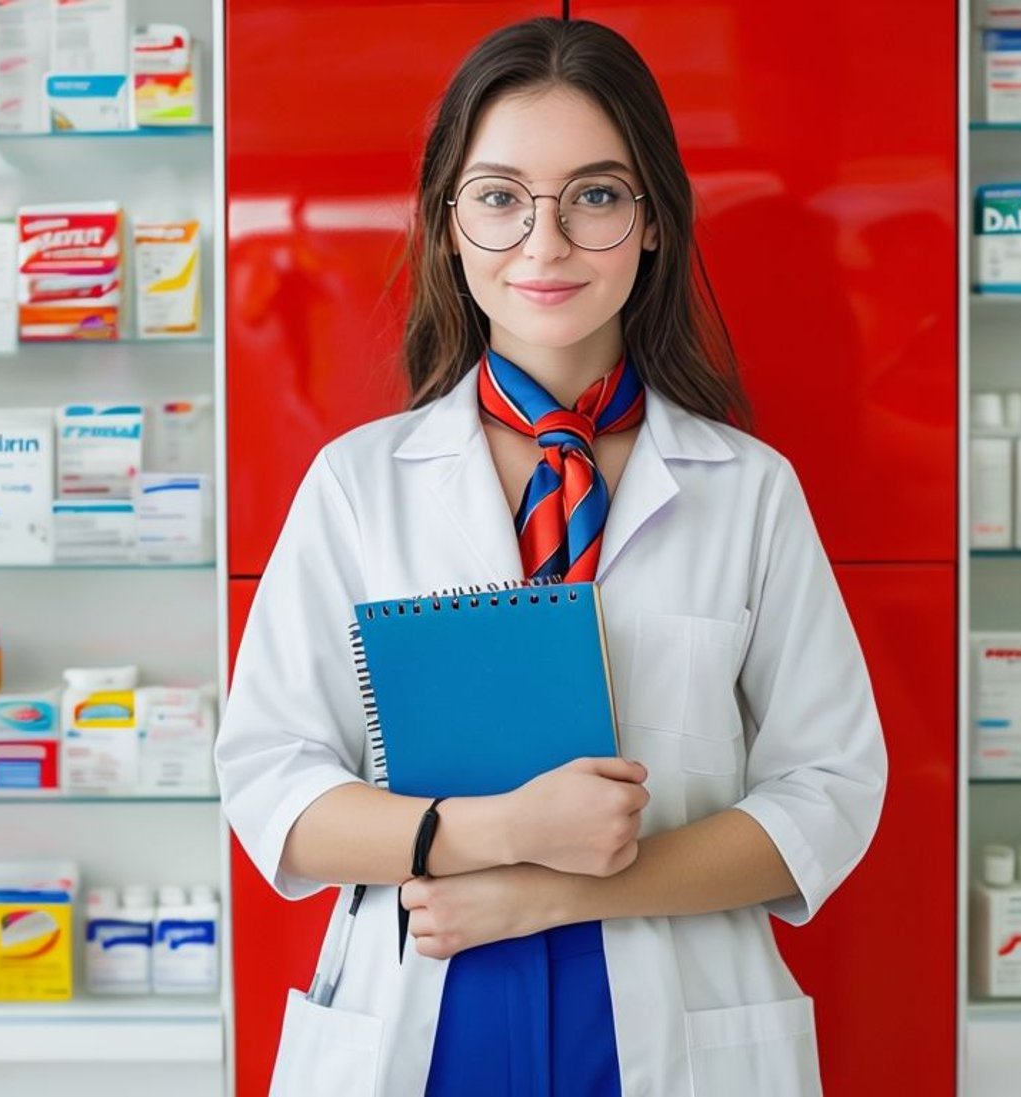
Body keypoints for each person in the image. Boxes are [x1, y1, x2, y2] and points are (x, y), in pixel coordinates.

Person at [217, 17, 887, 1097]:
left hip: (668, 1016)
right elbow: (272, 785)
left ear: (655, 220)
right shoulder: (358, 483)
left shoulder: (749, 490)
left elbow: (829, 792)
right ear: (448, 225)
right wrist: (501, 834)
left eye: (596, 195)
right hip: (430, 1017)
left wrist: (563, 891)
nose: (545, 244)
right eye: (499, 198)